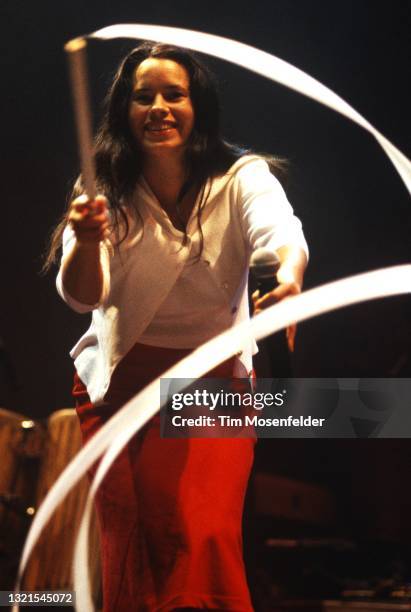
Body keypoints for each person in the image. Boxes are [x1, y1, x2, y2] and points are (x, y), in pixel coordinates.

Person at [45, 42, 308, 612]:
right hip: (121, 389)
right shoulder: (104, 191)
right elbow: (83, 294)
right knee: (134, 548)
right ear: (125, 110)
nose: (159, 107)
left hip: (213, 384)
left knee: (201, 530)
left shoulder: (241, 176)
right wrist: (86, 241)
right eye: (144, 97)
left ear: (199, 106)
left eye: (174, 95)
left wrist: (287, 280)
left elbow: (280, 233)